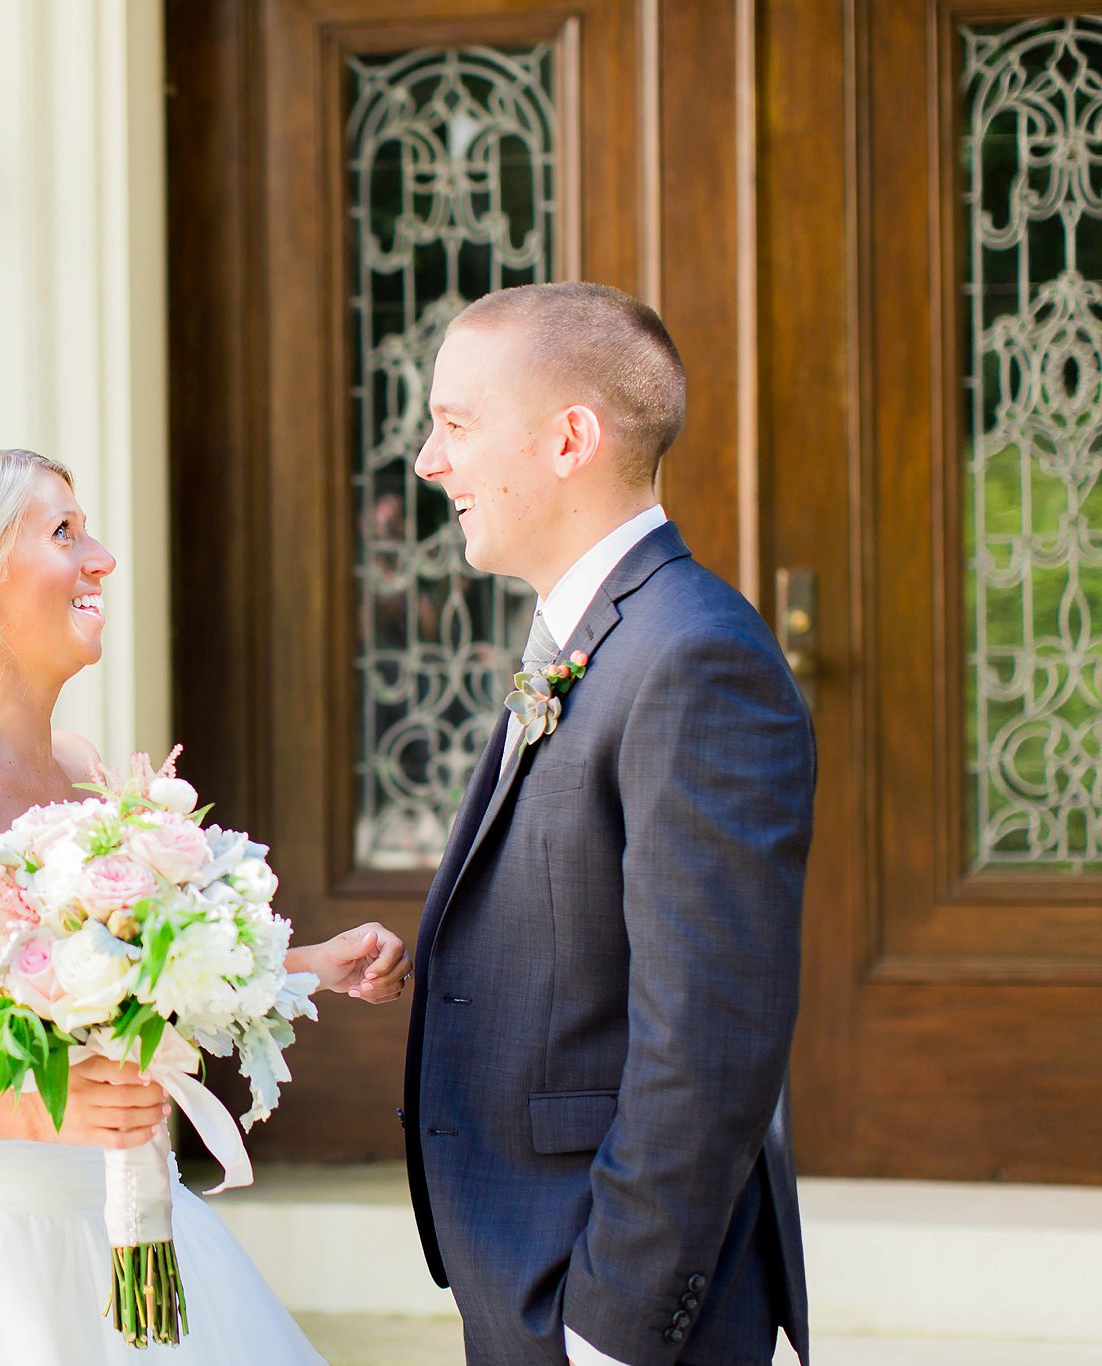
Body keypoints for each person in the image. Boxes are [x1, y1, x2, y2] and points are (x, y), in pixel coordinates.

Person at [0, 448, 416, 1363]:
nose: (102, 557)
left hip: (130, 1219)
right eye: (63, 532)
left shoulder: (76, 766)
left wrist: (306, 967)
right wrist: (41, 1109)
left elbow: (133, 976)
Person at [403, 283, 815, 1366]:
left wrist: (612, 1327)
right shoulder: (590, 632)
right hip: (525, 1258)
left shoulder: (692, 658)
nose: (426, 463)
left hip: (607, 1297)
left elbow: (709, 1038)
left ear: (569, 439)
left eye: (453, 425)